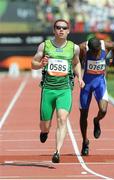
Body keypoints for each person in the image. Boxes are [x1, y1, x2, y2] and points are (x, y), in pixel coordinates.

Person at [31, 19, 85, 163]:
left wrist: (79, 77)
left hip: (65, 89)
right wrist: (40, 63)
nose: (61, 30)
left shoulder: (74, 48)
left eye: (64, 28)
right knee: (45, 125)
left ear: (68, 30)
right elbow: (33, 64)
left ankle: (57, 152)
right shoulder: (45, 45)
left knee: (62, 119)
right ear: (54, 30)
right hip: (48, 89)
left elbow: (77, 62)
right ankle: (44, 132)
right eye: (58, 27)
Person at [79, 37, 114, 156]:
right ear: (89, 49)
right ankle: (85, 142)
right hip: (86, 84)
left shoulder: (107, 45)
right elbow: (77, 59)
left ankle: (96, 121)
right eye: (94, 53)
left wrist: (113, 60)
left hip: (100, 83)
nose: (96, 55)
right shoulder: (82, 47)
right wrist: (80, 63)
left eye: (98, 53)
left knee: (103, 110)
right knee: (83, 114)